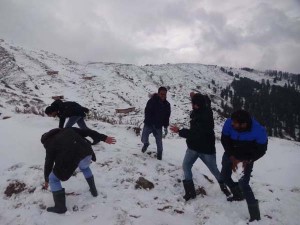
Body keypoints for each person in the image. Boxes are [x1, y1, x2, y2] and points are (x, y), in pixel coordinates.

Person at [41, 127, 116, 214]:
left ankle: (60, 207)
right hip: (86, 152)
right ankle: (93, 191)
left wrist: (47, 180)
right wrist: (104, 137)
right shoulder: (67, 129)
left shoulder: (49, 143)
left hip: (72, 157)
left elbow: (48, 163)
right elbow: (87, 131)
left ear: (45, 140)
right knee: (85, 167)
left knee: (53, 179)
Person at [170, 93, 230, 201]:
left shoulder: (204, 118)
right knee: (186, 166)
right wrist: (195, 96)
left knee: (214, 170)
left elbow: (194, 134)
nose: (192, 105)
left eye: (194, 104)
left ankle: (224, 187)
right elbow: (206, 100)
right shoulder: (204, 108)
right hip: (195, 147)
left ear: (199, 105)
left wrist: (179, 131)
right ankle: (190, 192)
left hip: (205, 149)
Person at [220, 110, 268, 222]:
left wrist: (248, 160)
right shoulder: (229, 122)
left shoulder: (258, 131)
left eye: (235, 123)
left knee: (243, 183)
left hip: (246, 158)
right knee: (224, 176)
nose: (232, 124)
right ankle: (237, 195)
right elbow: (224, 139)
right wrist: (231, 156)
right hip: (230, 154)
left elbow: (261, 150)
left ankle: (255, 215)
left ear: (244, 124)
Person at [141, 87, 171, 160]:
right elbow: (147, 112)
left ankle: (159, 153)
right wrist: (150, 123)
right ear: (158, 93)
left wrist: (165, 126)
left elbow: (167, 117)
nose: (163, 96)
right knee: (143, 138)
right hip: (149, 124)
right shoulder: (151, 101)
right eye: (161, 94)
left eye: (164, 94)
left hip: (158, 126)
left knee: (159, 141)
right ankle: (146, 144)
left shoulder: (167, 104)